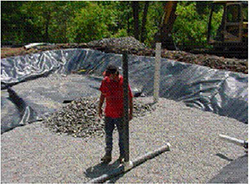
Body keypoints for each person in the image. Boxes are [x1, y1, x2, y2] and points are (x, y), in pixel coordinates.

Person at [98, 64, 133, 164]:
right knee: (108, 135)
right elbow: (103, 94)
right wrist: (100, 107)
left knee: (122, 136)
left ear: (115, 74)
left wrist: (131, 112)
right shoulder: (106, 81)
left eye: (109, 75)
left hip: (120, 115)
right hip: (108, 114)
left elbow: (130, 98)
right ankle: (108, 155)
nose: (107, 77)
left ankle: (122, 155)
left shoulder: (123, 83)